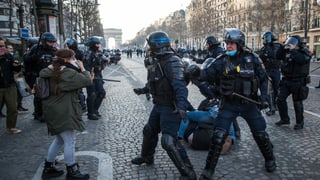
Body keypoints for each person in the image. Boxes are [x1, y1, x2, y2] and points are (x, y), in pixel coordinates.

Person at [198, 28, 276, 179]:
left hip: (249, 104)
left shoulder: (252, 59)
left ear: (240, 44)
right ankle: (208, 170)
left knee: (260, 134)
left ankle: (270, 159)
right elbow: (206, 75)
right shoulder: (221, 61)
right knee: (218, 136)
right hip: (228, 105)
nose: (228, 46)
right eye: (227, 43)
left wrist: (265, 98)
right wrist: (195, 74)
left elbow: (264, 79)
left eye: (232, 44)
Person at [131, 31, 197, 180]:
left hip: (171, 106)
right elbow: (155, 82)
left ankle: (188, 173)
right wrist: (143, 90)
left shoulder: (172, 61)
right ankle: (147, 157)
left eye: (150, 45)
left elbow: (180, 87)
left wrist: (181, 106)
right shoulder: (156, 61)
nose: (148, 48)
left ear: (156, 45)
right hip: (159, 104)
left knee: (168, 141)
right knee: (149, 131)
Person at [40, 48, 92, 179]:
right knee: (69, 141)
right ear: (66, 59)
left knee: (59, 140)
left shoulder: (48, 71)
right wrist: (82, 68)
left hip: (52, 110)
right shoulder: (67, 73)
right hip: (64, 111)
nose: (75, 60)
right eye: (73, 58)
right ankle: (72, 170)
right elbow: (87, 81)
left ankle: (48, 168)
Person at [275, 35, 311, 130]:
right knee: (280, 99)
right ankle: (284, 119)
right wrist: (282, 47)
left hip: (298, 81)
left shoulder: (304, 52)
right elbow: (278, 56)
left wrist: (294, 50)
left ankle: (300, 122)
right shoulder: (288, 51)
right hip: (287, 80)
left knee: (297, 103)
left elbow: (302, 60)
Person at [24, 32, 58, 122]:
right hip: (38, 76)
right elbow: (26, 60)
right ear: (44, 41)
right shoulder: (35, 49)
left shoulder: (54, 50)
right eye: (49, 42)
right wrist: (34, 57)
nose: (51, 44)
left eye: (52, 42)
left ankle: (48, 112)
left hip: (50, 76)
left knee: (50, 95)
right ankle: (38, 113)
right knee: (39, 96)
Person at [83, 36, 108, 120]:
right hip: (91, 76)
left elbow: (101, 64)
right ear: (92, 44)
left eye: (98, 44)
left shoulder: (98, 53)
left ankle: (95, 110)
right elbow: (86, 67)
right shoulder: (88, 54)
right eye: (96, 44)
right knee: (92, 95)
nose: (98, 45)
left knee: (101, 93)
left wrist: (104, 62)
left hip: (98, 76)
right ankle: (91, 113)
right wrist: (90, 74)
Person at [0, 37, 22, 134]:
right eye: (0, 46)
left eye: (3, 45)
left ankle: (11, 127)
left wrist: (17, 66)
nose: (3, 48)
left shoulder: (8, 56)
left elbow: (16, 69)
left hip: (9, 85)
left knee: (13, 108)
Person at [259, 31, 282, 116]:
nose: (264, 40)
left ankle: (276, 105)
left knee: (276, 89)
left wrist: (268, 46)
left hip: (275, 70)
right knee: (268, 90)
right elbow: (261, 57)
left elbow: (274, 55)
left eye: (265, 38)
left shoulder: (277, 46)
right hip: (267, 71)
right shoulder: (264, 48)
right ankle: (271, 107)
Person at [64, 38, 87, 113]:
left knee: (78, 92)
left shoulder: (76, 53)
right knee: (78, 92)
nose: (67, 46)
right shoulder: (78, 52)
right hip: (74, 73)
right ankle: (81, 107)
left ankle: (82, 107)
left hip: (75, 73)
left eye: (68, 45)